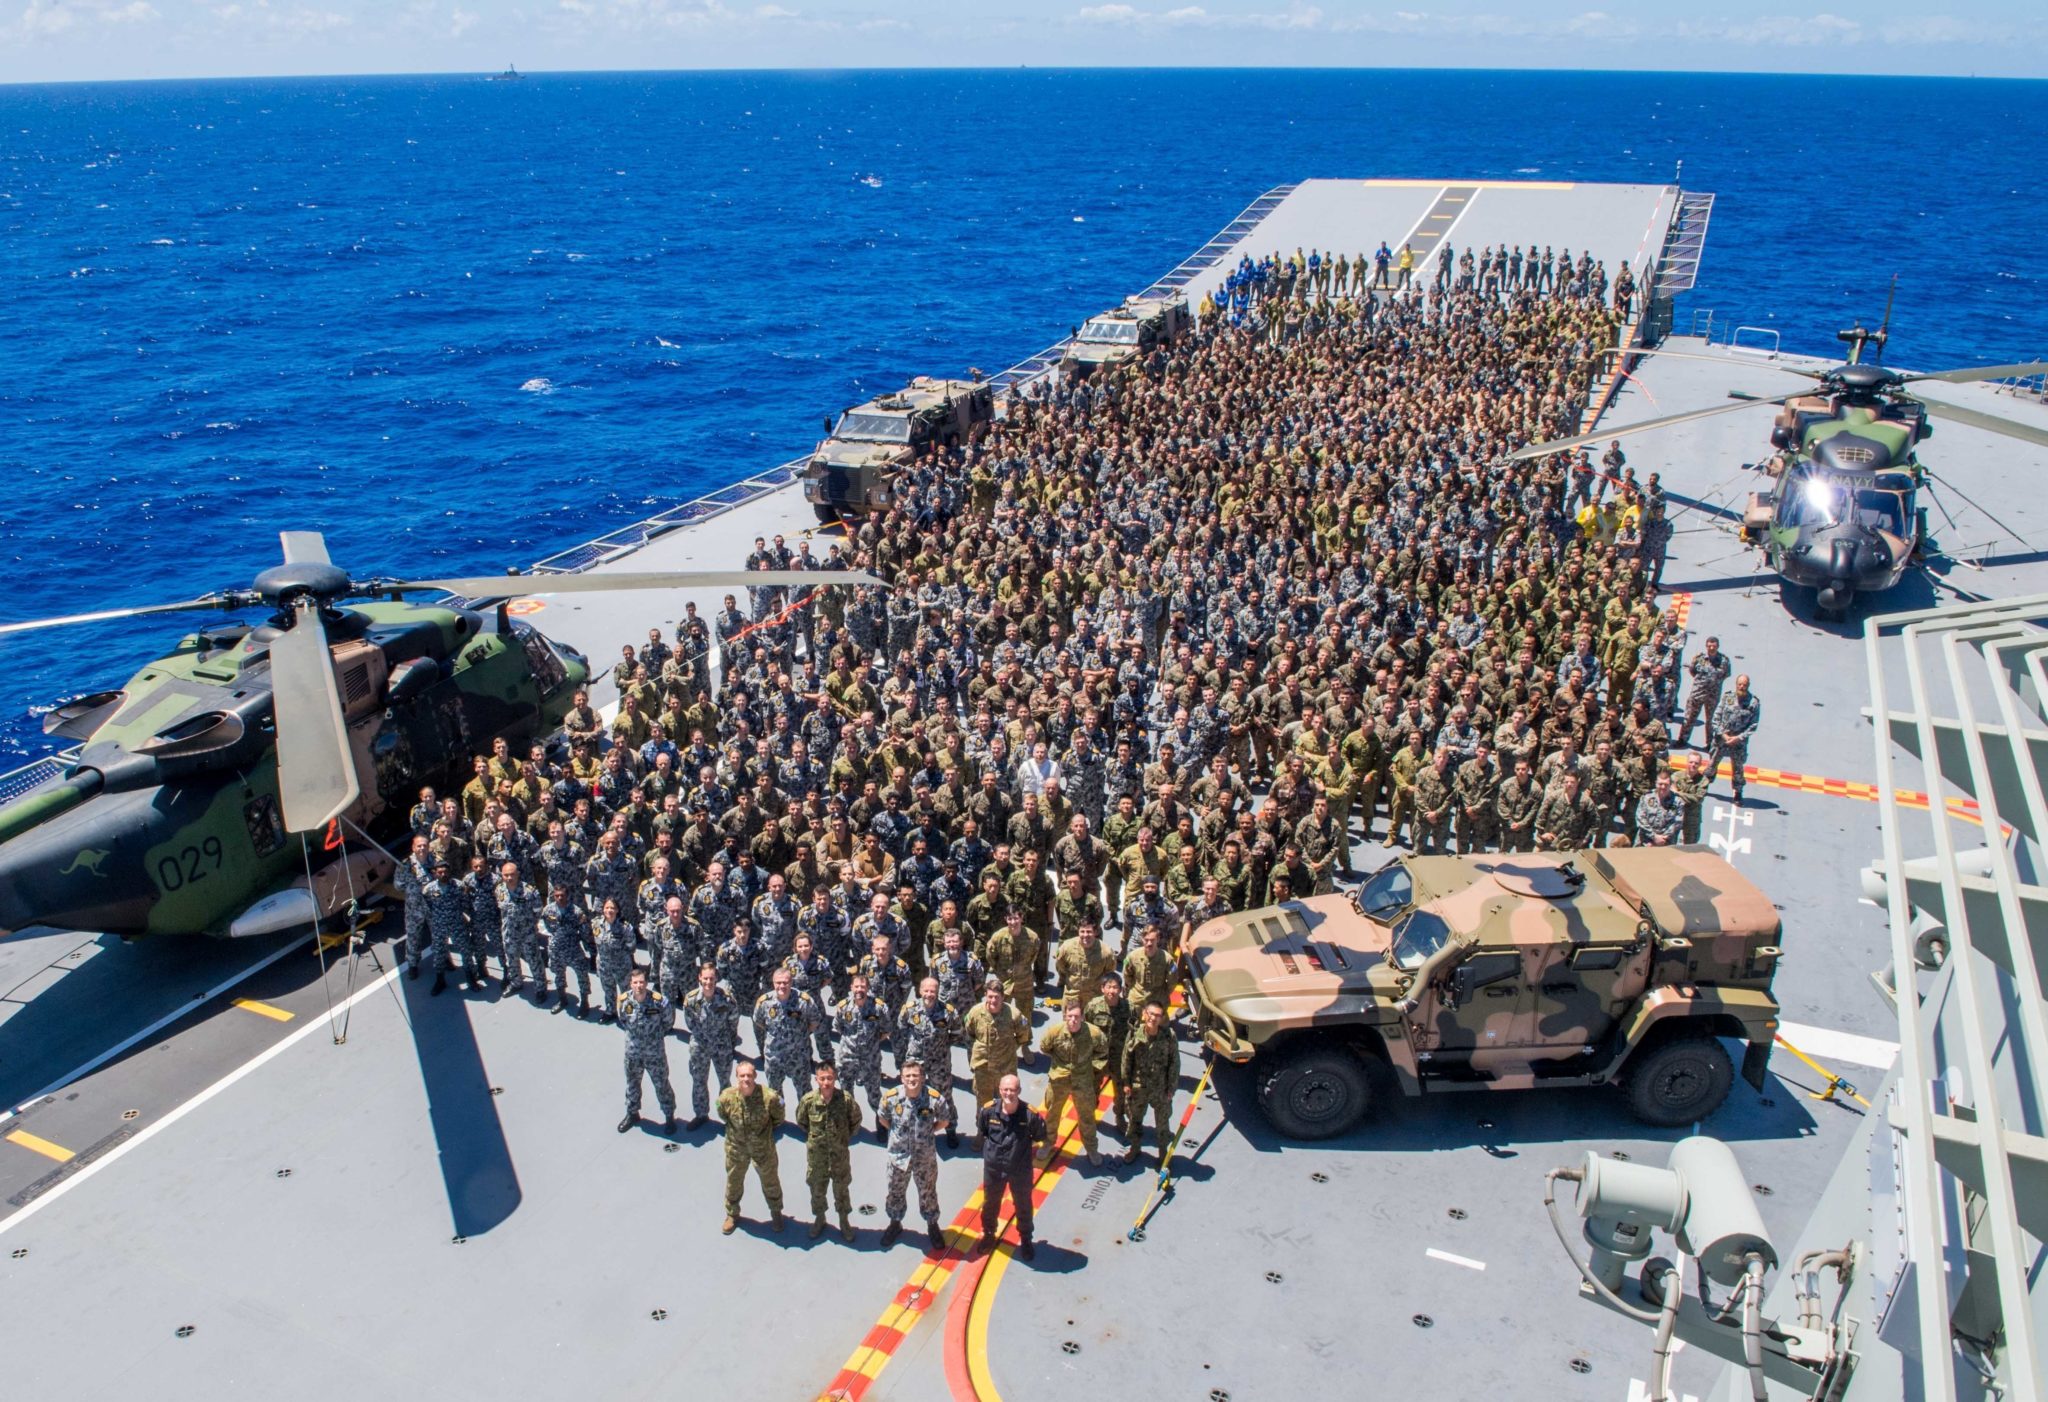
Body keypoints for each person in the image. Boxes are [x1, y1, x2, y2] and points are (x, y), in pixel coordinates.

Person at [876, 1060, 952, 1250]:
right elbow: (883, 1118)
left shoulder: (934, 1099)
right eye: (908, 1076)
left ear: (923, 1077)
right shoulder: (891, 1098)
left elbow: (944, 1120)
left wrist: (929, 1132)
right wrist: (896, 1134)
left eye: (915, 1075)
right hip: (898, 1157)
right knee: (895, 1192)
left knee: (928, 1193)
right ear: (902, 1078)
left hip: (924, 1158)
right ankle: (895, 1223)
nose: (912, 1079)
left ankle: (932, 1225)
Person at [974, 1072, 1046, 1260]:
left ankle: (1026, 1238)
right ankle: (989, 1233)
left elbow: (1040, 1135)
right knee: (990, 1203)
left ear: (1019, 1091)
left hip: (1020, 1170)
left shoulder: (1029, 1115)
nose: (1009, 1094)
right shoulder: (988, 1111)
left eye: (1013, 1090)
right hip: (994, 1168)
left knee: (1023, 1204)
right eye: (1005, 1089)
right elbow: (983, 1130)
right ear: (999, 1090)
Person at [716, 1060, 786, 1235]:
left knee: (770, 1181)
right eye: (742, 1075)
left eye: (749, 1075)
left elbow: (778, 1118)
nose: (746, 1079)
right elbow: (722, 1114)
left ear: (755, 1076)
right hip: (736, 1148)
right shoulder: (726, 1097)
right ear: (737, 1077)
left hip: (763, 1149)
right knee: (734, 1182)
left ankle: (776, 1212)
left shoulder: (769, 1097)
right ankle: (732, 1214)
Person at [794, 1062, 861, 1242]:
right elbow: (802, 1122)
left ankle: (844, 1221)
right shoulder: (808, 1101)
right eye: (822, 1079)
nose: (826, 1083)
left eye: (829, 1078)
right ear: (816, 1080)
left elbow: (855, 1121)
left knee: (842, 1190)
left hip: (839, 1156)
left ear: (835, 1078)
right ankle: (820, 1219)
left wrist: (842, 1139)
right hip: (817, 1158)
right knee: (817, 1190)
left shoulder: (845, 1100)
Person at [1038, 999, 1103, 1165]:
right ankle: (1048, 1143)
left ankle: (1091, 1148)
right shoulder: (1055, 1032)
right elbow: (1044, 1047)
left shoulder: (1093, 1034)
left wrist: (1088, 1066)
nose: (1073, 1020)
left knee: (1087, 1117)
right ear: (1065, 1016)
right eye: (1070, 1016)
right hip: (1059, 1080)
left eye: (1076, 1016)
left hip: (1083, 1081)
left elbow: (1102, 1051)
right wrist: (1058, 1064)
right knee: (1052, 1114)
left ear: (1082, 1017)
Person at [617, 968, 677, 1134]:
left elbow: (668, 1022)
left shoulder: (659, 1002)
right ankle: (632, 1113)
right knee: (632, 1084)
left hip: (654, 1053)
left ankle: (669, 1116)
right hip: (633, 1053)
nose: (639, 986)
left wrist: (654, 1038)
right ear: (631, 984)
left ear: (647, 983)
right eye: (635, 983)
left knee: (662, 1085)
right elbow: (623, 1020)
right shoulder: (624, 1001)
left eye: (642, 982)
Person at [962, 980, 1026, 1136]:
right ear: (985, 995)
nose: (993, 1000)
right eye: (990, 996)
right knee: (983, 1102)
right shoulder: (976, 1012)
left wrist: (1010, 1049)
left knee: (1007, 1100)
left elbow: (1023, 1035)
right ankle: (982, 1132)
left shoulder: (1014, 1015)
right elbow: (969, 1031)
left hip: (1006, 1067)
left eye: (997, 997)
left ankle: (1005, 1130)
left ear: (1003, 997)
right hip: (983, 1068)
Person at [682, 962, 741, 1130]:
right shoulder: (691, 999)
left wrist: (726, 1040)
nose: (708, 982)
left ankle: (726, 1115)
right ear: (700, 978)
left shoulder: (726, 998)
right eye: (705, 978)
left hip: (721, 1045)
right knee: (699, 1081)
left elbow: (733, 1021)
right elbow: (690, 1023)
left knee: (725, 1082)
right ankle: (701, 1114)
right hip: (700, 1046)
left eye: (712, 979)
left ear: (716, 979)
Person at [1121, 999, 1178, 1165]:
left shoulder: (1169, 1036)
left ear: (1162, 1018)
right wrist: (1126, 1083)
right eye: (1150, 1014)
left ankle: (1162, 1153)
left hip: (1160, 1088)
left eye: (1157, 1015)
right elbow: (1126, 1058)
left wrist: (1171, 1088)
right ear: (1144, 1014)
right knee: (1135, 1120)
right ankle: (1135, 1148)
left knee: (1162, 1123)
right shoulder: (1134, 1034)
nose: (1153, 1018)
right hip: (1139, 1086)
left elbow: (1174, 1062)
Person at [1709, 674, 1762, 806]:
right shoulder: (1727, 697)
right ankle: (1705, 784)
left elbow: (1753, 726)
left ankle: (1738, 792)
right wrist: (1723, 734)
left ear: (1748, 686)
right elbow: (1716, 718)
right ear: (1736, 684)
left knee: (1738, 768)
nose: (1742, 687)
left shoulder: (1753, 703)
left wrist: (1738, 738)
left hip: (1738, 742)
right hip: (1722, 739)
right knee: (1712, 763)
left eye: (1744, 685)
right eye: (1740, 684)